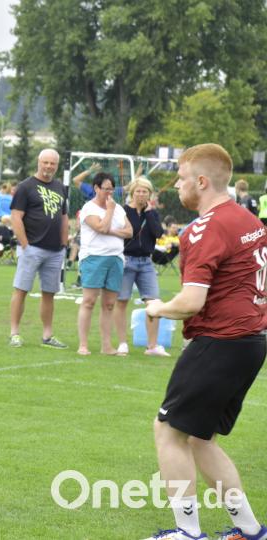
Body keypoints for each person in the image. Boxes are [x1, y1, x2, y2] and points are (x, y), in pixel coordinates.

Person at [141, 144, 267, 540]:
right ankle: (249, 530)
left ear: (201, 181)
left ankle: (187, 533)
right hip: (252, 341)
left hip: (220, 341)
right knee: (200, 437)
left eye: (180, 178)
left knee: (168, 431)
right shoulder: (249, 220)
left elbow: (192, 302)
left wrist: (158, 308)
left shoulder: (206, 227)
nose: (177, 186)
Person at [9, 149, 70, 349]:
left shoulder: (60, 187)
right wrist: (25, 244)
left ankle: (47, 335)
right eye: (45, 162)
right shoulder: (25, 187)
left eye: (52, 163)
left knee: (49, 293)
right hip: (32, 247)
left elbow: (63, 216)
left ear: (57, 165)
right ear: (39, 162)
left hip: (54, 250)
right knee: (21, 290)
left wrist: (64, 243)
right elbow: (16, 217)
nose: (48, 167)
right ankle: (15, 333)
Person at [76, 172, 133, 355]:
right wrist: (108, 212)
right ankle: (83, 345)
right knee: (89, 301)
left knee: (109, 304)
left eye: (111, 189)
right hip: (94, 257)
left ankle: (106, 346)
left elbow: (130, 231)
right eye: (105, 189)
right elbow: (100, 227)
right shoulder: (89, 208)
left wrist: (112, 230)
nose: (109, 193)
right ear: (96, 188)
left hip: (116, 258)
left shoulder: (119, 209)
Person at [113, 176, 168, 357]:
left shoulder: (151, 213)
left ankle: (152, 346)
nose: (141, 194)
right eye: (138, 191)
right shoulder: (123, 211)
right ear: (132, 193)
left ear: (150, 194)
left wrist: (150, 212)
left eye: (145, 191)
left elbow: (158, 233)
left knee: (153, 302)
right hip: (127, 260)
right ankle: (122, 343)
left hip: (146, 262)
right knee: (121, 301)